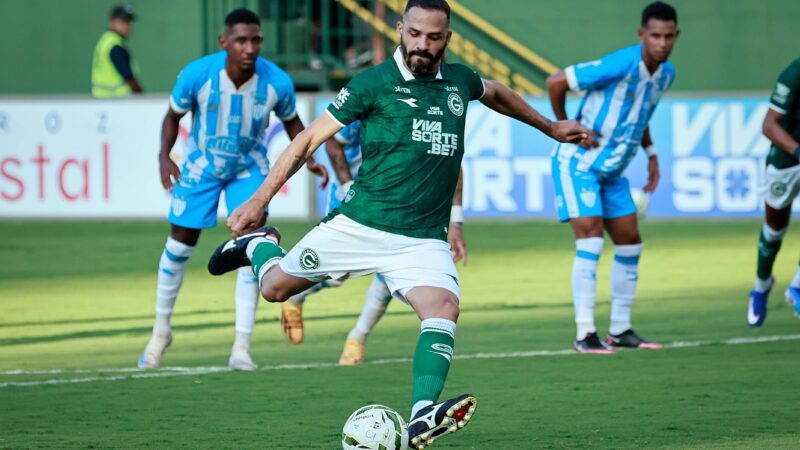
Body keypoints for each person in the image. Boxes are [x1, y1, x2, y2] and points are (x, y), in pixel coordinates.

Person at [207, 1, 589, 446]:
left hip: (421, 239)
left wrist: (549, 127)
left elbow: (497, 92)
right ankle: (259, 245)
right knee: (275, 289)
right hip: (360, 224)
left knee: (443, 308)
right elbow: (308, 139)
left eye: (433, 37)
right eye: (414, 34)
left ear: (447, 38)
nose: (422, 45)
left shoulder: (460, 81)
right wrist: (259, 200)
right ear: (399, 30)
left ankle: (422, 414)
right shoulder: (372, 83)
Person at [137, 8, 327, 371]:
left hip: (249, 170)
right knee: (179, 247)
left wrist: (311, 158)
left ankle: (241, 346)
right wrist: (163, 156)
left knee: (250, 248)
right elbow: (172, 116)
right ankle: (161, 332)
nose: (249, 48)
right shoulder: (197, 74)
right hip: (201, 166)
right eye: (241, 40)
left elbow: (294, 124)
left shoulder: (277, 82)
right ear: (224, 42)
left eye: (256, 40)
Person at [546, 1, 678, 353]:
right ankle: (585, 333)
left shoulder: (666, 73)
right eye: (655, 36)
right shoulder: (621, 63)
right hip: (578, 163)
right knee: (590, 238)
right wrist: (567, 127)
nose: (662, 43)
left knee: (630, 241)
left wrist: (652, 153)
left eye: (668, 37)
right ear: (642, 34)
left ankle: (620, 329)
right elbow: (556, 81)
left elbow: (641, 113)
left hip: (613, 171)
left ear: (676, 36)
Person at [279, 121, 466, 367]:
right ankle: (297, 296)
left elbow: (452, 162)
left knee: (393, 276)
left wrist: (457, 222)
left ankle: (358, 338)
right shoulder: (373, 106)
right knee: (337, 274)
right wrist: (349, 188)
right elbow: (333, 142)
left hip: (400, 204)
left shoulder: (431, 112)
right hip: (355, 197)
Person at [748, 56, 800, 327]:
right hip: (786, 160)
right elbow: (769, 125)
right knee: (774, 230)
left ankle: (797, 287)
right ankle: (761, 287)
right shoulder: (795, 72)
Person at [91, 4, 143, 97]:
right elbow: (130, 79)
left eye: (129, 22)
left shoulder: (105, 41)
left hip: (102, 99)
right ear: (111, 22)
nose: (127, 25)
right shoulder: (115, 46)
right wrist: (141, 96)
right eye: (123, 21)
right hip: (117, 100)